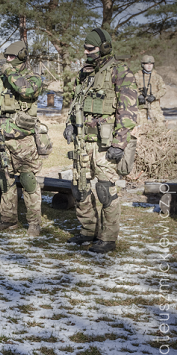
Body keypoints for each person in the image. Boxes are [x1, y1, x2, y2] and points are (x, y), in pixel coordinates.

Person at [64, 28, 138, 253]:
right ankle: (88, 231)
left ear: (104, 47)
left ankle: (107, 237)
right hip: (82, 142)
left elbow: (129, 111)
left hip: (104, 144)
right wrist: (69, 123)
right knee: (80, 188)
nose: (86, 52)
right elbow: (76, 102)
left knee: (106, 190)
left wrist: (119, 143)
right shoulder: (85, 73)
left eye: (91, 49)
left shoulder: (120, 71)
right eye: (85, 48)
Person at [0, 41, 44, 237]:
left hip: (23, 139)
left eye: (12, 57)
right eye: (7, 58)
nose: (8, 61)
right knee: (6, 179)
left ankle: (34, 223)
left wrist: (8, 72)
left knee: (28, 180)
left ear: (22, 56)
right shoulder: (3, 79)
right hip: (2, 136)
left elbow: (26, 90)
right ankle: (8, 219)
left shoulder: (33, 77)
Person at [136, 55, 167, 125]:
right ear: (142, 64)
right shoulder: (137, 76)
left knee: (160, 124)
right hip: (141, 104)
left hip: (154, 103)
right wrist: (139, 96)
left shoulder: (157, 77)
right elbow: (131, 89)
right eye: (147, 64)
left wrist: (155, 96)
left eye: (151, 64)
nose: (149, 66)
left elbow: (163, 89)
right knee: (140, 124)